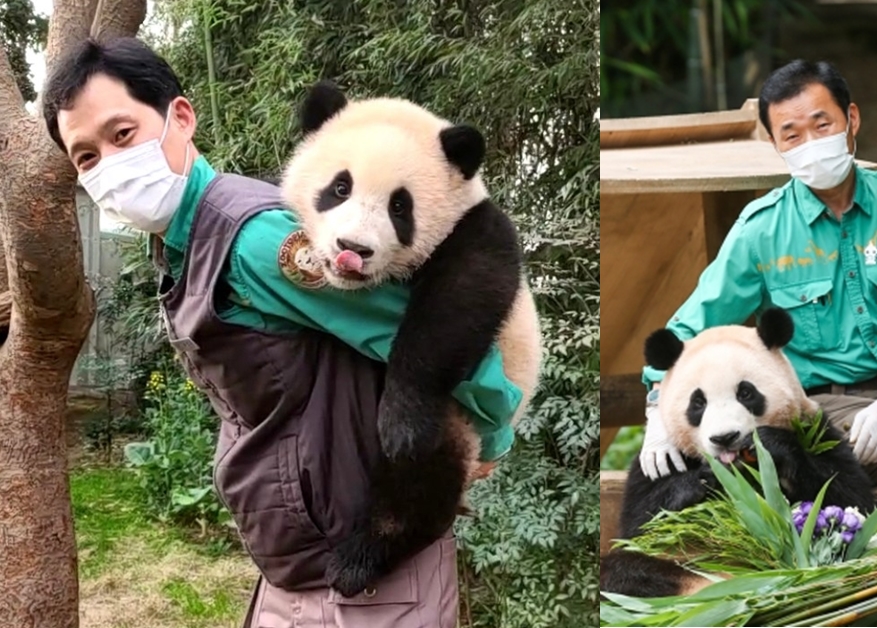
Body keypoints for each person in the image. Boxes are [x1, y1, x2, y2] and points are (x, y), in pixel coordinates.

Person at [43, 37, 522, 626]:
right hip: (306, 571)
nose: (110, 166)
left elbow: (461, 351)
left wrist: (494, 436)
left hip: (366, 581)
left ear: (181, 118)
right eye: (86, 157)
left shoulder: (256, 245)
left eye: (122, 135)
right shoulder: (188, 241)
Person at [637, 59, 877, 499]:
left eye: (822, 126)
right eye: (792, 135)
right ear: (774, 142)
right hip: (812, 411)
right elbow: (688, 328)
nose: (811, 144)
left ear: (851, 119)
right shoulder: (761, 230)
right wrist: (657, 414)